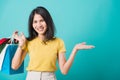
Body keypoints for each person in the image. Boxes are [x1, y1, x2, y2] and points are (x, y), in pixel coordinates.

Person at [11, 6, 95, 80]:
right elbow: (14, 66)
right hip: (31, 77)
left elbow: (64, 71)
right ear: (32, 24)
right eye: (35, 22)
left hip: (50, 77)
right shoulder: (28, 42)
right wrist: (20, 46)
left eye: (42, 20)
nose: (39, 25)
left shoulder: (58, 42)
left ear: (48, 21)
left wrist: (75, 50)